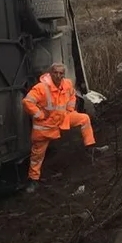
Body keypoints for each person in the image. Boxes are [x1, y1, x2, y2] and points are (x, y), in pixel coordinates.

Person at [22, 63, 104, 193]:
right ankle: (33, 180)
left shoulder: (67, 84)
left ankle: (90, 148)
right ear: (50, 73)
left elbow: (72, 95)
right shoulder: (41, 88)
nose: (58, 76)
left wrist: (70, 109)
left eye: (61, 73)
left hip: (63, 119)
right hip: (46, 125)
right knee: (37, 154)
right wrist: (39, 114)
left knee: (84, 119)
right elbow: (27, 102)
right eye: (56, 73)